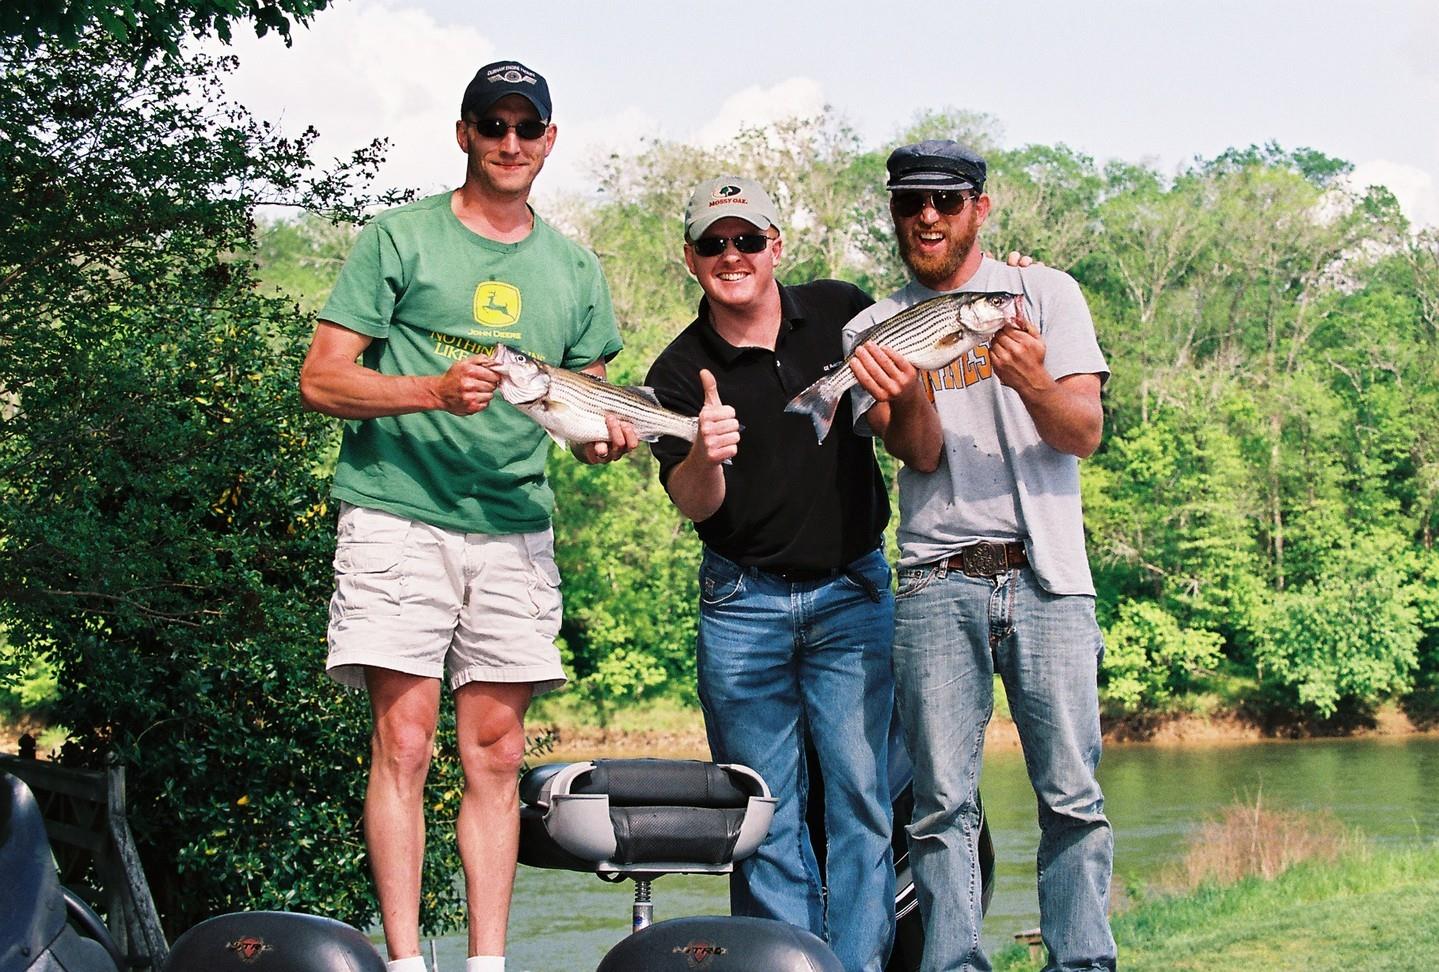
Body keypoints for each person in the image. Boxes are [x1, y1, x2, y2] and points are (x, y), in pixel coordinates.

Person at [298, 61, 633, 972]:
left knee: (493, 751)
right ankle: (407, 964)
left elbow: (587, 408)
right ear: (464, 133)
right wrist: (430, 392)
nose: (511, 143)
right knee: (402, 742)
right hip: (397, 516)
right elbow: (322, 377)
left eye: (528, 127)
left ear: (550, 141)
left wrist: (604, 439)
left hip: (515, 529)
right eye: (494, 124)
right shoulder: (399, 238)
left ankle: (487, 964)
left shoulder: (573, 268)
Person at [844, 140, 1116, 972]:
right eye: (909, 203)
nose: (927, 216)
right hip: (934, 582)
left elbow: (1084, 433)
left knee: (1071, 796)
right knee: (939, 806)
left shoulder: (1046, 293)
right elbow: (918, 456)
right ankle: (953, 964)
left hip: (1048, 578)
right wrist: (912, 380)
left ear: (979, 209)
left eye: (947, 200)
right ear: (893, 214)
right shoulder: (870, 328)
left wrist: (1032, 379)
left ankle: (1081, 962)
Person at [644, 177, 899, 972]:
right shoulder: (679, 370)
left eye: (747, 239)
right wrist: (700, 453)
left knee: (862, 802)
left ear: (775, 247)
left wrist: (1014, 279)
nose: (732, 256)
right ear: (691, 259)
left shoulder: (838, 310)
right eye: (714, 243)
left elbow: (932, 316)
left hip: (852, 593)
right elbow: (693, 505)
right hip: (740, 602)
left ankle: (853, 966)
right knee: (764, 812)